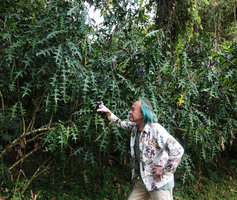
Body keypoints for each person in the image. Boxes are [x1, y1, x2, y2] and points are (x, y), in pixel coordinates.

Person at [97, 98, 184, 200]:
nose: (130, 111)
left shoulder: (156, 129)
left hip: (159, 183)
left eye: (133, 110)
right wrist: (108, 112)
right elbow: (120, 123)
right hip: (144, 180)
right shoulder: (135, 127)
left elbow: (178, 150)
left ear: (143, 114)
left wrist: (164, 170)